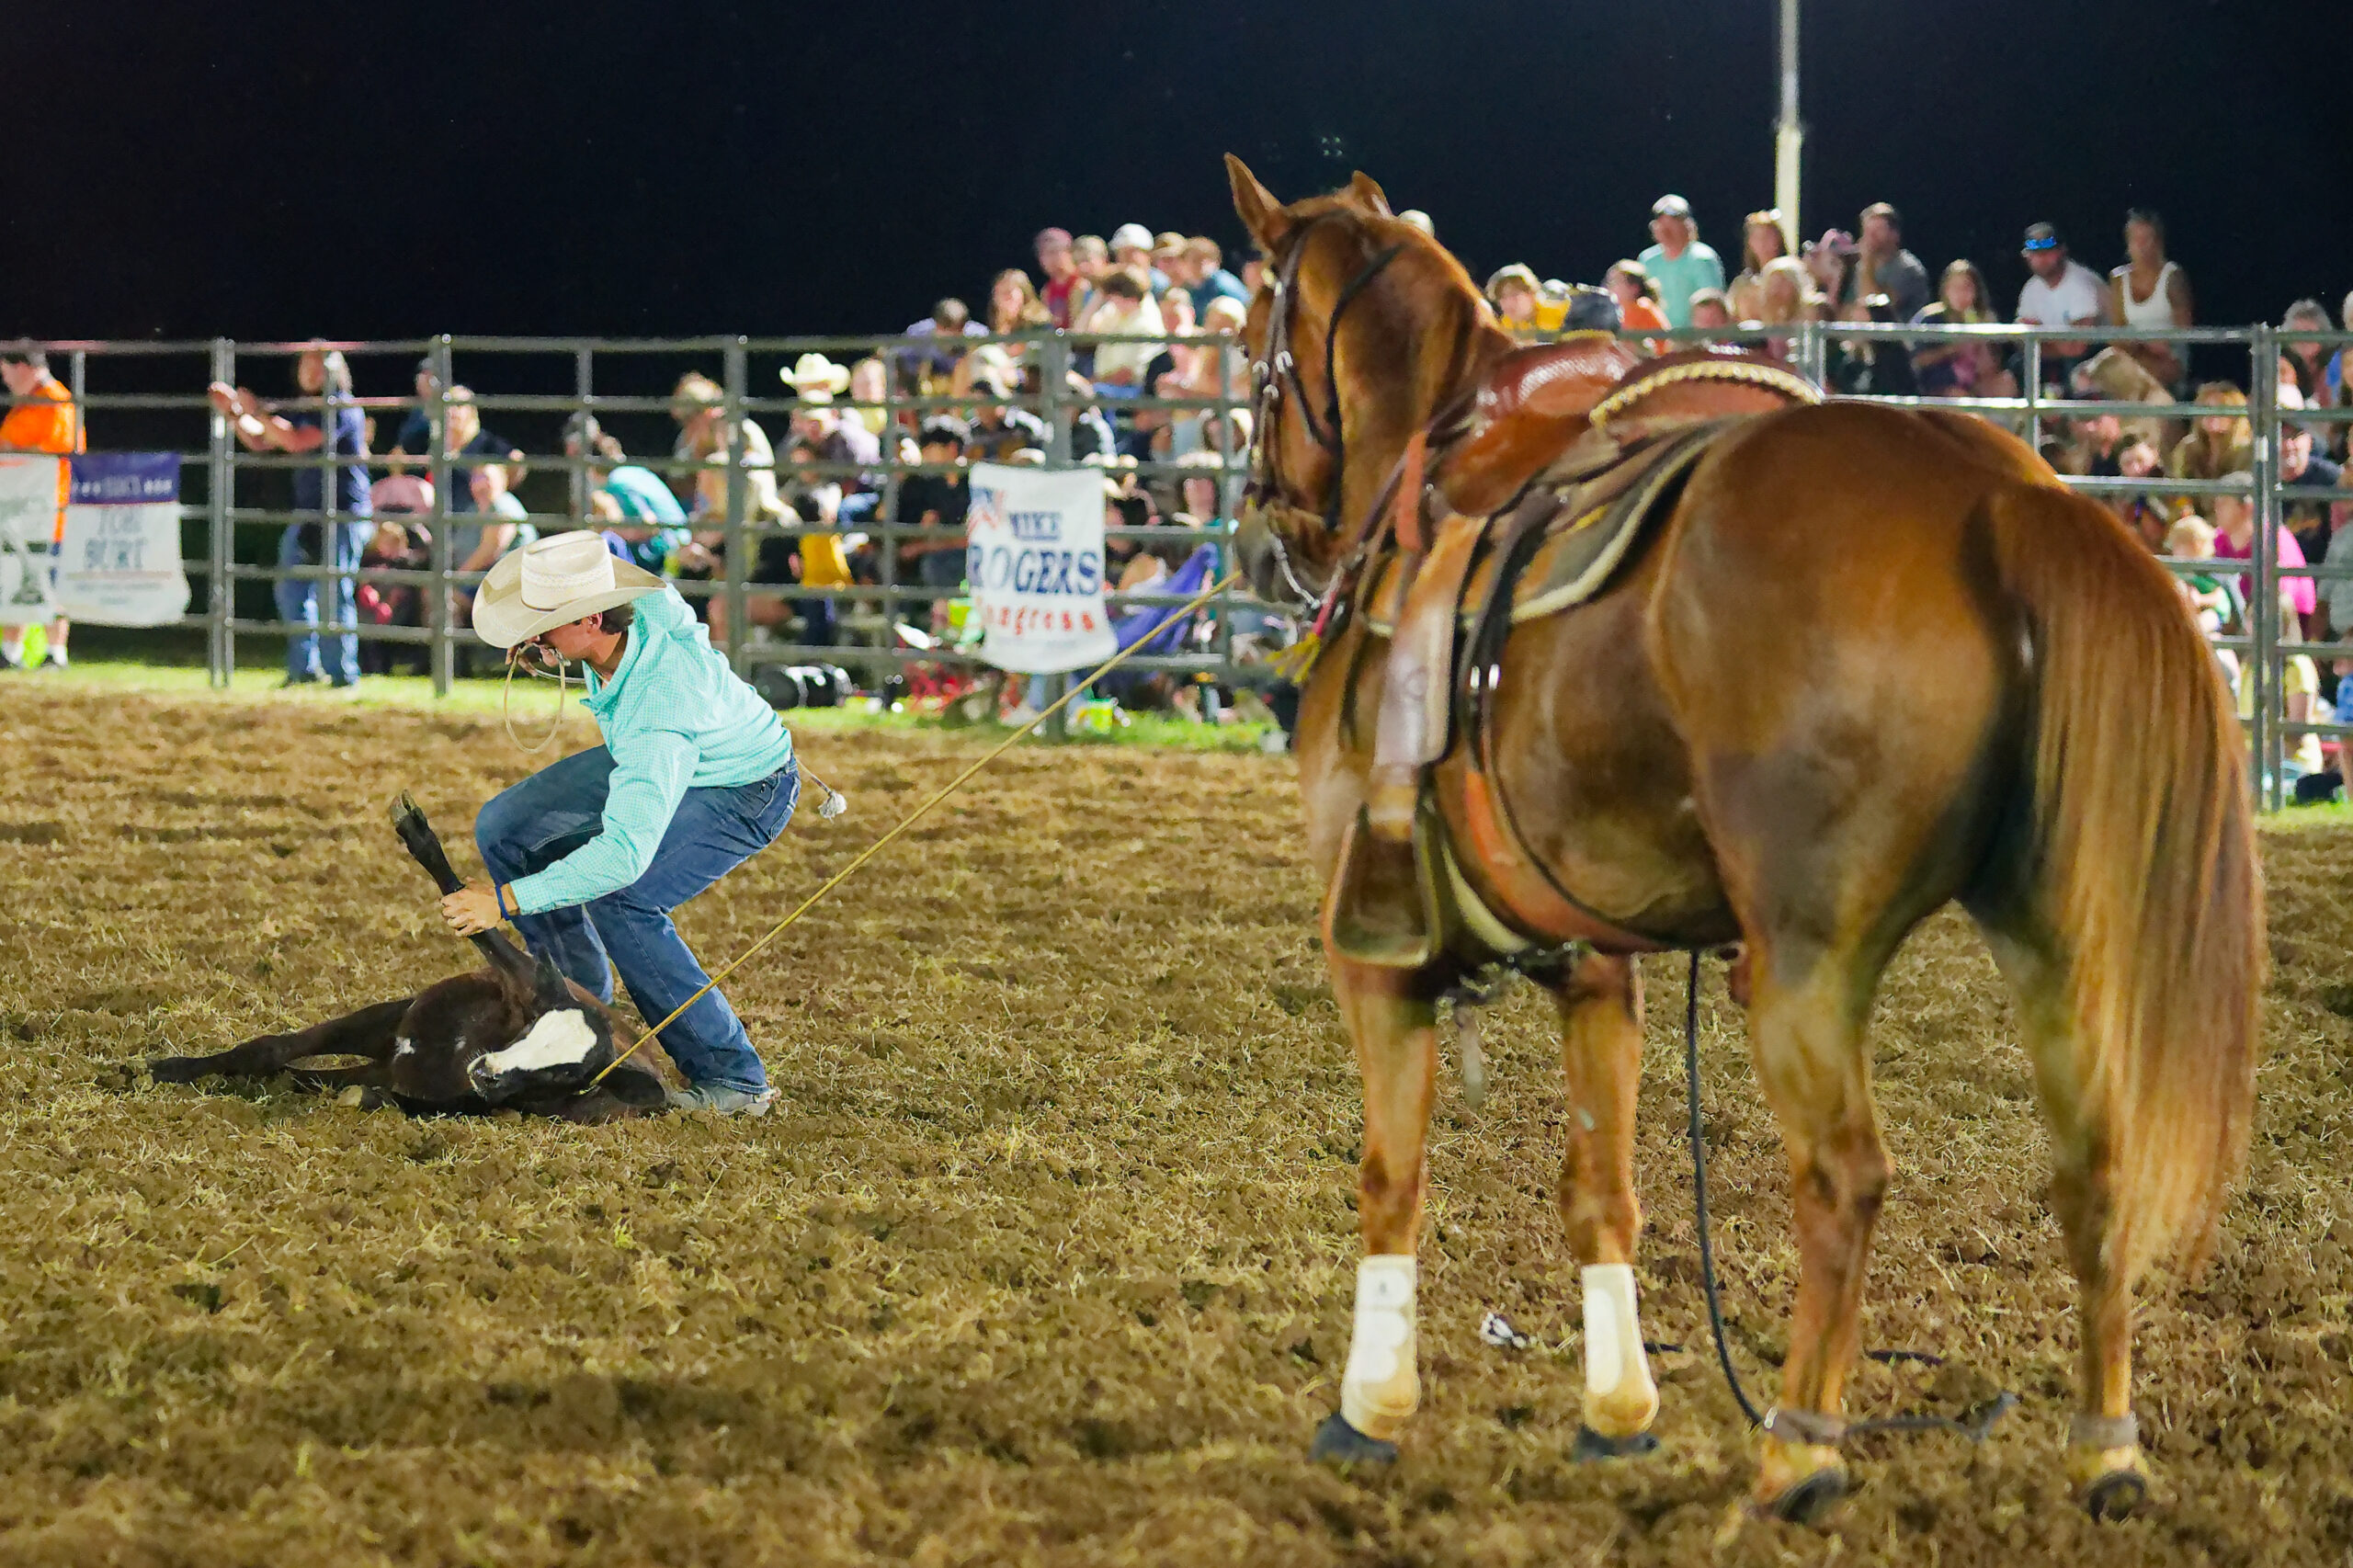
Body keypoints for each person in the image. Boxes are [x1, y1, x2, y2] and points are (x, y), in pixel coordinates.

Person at [449, 531, 801, 1116]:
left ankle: (734, 1079)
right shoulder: (637, 613)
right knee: (505, 827)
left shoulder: (660, 706)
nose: (533, 636)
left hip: (744, 787)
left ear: (592, 620)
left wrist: (506, 900)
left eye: (547, 624)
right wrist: (553, 649)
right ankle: (577, 1005)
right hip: (683, 751)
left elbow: (622, 856)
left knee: (624, 897)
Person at [212, 347, 373, 687]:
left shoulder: (341, 407)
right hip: (310, 513)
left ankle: (343, 675)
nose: (311, 372)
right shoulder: (304, 409)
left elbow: (297, 442)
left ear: (336, 372)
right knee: (292, 590)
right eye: (306, 365)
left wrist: (256, 410)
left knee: (334, 592)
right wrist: (236, 414)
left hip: (342, 512)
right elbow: (261, 440)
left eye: (319, 366)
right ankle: (304, 671)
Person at [0, 346, 82, 670]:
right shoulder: (27, 403)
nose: (5, 380)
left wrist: (11, 449)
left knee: (46, 578)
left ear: (24, 368)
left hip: (49, 507)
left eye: (6, 372)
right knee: (15, 573)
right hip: (19, 506)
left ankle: (55, 653)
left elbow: (58, 448)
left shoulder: (54, 399)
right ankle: (10, 650)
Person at [2105, 209, 2192, 391]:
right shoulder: (2118, 278)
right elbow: (2116, 331)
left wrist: (2156, 347)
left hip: (2168, 358)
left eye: (2147, 239)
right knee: (2083, 376)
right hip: (2132, 353)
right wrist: (2141, 346)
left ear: (2159, 242)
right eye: (2136, 239)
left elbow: (2184, 329)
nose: (2142, 246)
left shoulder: (2173, 275)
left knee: (2144, 376)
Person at [2015, 222, 2110, 387]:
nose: (2041, 258)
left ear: (2061, 251)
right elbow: (2022, 342)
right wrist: (2056, 344)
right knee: (2017, 365)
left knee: (2073, 368)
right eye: (2035, 253)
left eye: (2047, 251)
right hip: (2055, 360)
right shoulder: (2031, 289)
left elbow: (2078, 348)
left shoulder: (2081, 283)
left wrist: (2042, 341)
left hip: (2099, 354)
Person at [1908, 260, 2018, 400]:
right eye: (1955, 288)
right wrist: (1952, 349)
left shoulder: (1985, 318)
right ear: (1945, 290)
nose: (1961, 294)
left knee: (2006, 382)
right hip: (1941, 385)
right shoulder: (1931, 318)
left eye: (1967, 288)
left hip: (1975, 379)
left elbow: (1993, 366)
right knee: (1959, 396)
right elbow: (1916, 360)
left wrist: (1981, 346)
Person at [1636, 195, 1725, 330]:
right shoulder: (1647, 259)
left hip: (1694, 341)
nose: (1666, 227)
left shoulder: (1702, 258)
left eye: (1674, 221)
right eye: (1661, 222)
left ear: (1688, 226)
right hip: (1656, 339)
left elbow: (1712, 304)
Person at [2166, 382, 2254, 519]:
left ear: (2236, 417)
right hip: (2191, 526)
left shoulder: (2246, 452)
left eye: (2221, 408)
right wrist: (2184, 508)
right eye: (2206, 407)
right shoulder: (2187, 448)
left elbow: (2240, 501)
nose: (2212, 413)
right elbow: (2177, 489)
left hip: (2230, 524)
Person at [1842, 202, 1929, 327]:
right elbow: (1847, 312)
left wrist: (1867, 263)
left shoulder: (1908, 269)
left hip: (1897, 341)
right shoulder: (1860, 268)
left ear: (1895, 235)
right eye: (1867, 231)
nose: (1870, 237)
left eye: (1877, 230)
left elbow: (1876, 309)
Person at [1725, 210, 1790, 324]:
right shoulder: (1742, 283)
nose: (1762, 243)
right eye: (1757, 237)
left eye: (1768, 236)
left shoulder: (1790, 276)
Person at [1602, 260, 1671, 343]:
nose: (1608, 287)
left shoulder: (1643, 307)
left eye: (1615, 281)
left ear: (1634, 288)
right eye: (1609, 282)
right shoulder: (1619, 311)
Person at [1035, 226, 1082, 329]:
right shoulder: (1047, 290)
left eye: (1054, 252)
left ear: (1069, 252)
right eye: (1043, 254)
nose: (1049, 259)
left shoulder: (1082, 283)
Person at [1485, 265, 1544, 335]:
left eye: (1514, 294)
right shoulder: (1502, 332)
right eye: (1501, 297)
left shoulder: (1559, 320)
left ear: (1531, 294)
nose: (1508, 302)